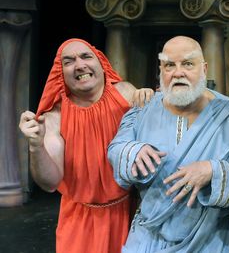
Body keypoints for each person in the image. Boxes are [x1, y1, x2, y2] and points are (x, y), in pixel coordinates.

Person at [107, 35, 229, 253]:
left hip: (211, 238)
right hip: (150, 236)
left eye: (188, 64)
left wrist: (213, 170)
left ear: (204, 69)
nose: (178, 72)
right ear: (161, 70)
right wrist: (132, 151)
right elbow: (116, 148)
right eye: (169, 65)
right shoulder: (142, 110)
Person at [18, 38, 154, 253]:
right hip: (81, 223)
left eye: (86, 56)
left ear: (101, 63)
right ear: (60, 73)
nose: (80, 65)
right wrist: (36, 146)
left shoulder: (126, 93)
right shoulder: (54, 117)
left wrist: (151, 104)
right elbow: (50, 183)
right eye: (69, 61)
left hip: (130, 214)